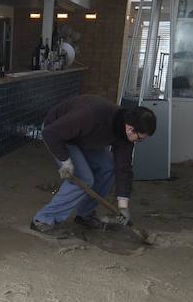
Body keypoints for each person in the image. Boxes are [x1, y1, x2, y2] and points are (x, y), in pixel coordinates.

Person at [31, 95, 157, 238]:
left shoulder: (125, 135)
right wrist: (65, 161)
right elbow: (50, 133)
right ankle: (43, 220)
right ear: (130, 129)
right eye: (140, 139)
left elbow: (123, 169)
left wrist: (123, 206)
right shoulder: (92, 114)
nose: (139, 142)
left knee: (109, 166)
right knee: (84, 178)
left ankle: (85, 214)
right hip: (58, 134)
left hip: (82, 138)